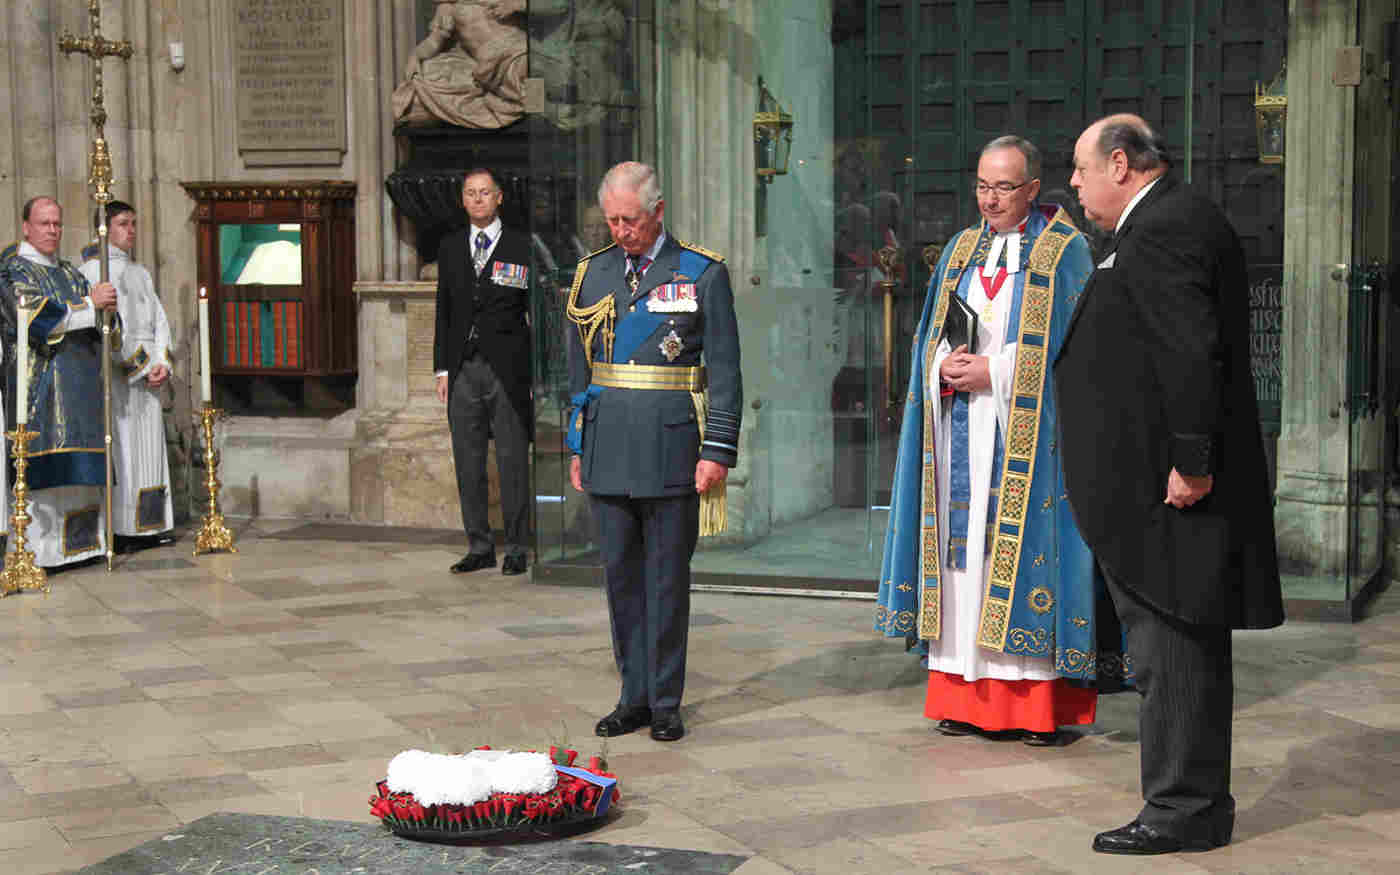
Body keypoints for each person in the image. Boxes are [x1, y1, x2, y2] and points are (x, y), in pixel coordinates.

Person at [1057, 114, 1283, 854]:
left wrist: (1192, 461)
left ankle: (1181, 809)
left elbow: (1192, 352)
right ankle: (1192, 802)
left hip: (1169, 491)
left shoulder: (1164, 228)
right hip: (1153, 486)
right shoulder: (1156, 224)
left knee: (1173, 647)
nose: (1074, 182)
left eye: (1081, 168)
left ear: (1120, 164)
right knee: (1168, 646)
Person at [876, 136, 1107, 745]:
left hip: (1027, 439)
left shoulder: (1067, 253)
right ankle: (960, 693)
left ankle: (1031, 708)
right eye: (982, 185)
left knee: (1017, 557)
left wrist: (996, 373)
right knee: (961, 565)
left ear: (1033, 188)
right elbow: (933, 333)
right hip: (958, 432)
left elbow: (1080, 358)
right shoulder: (958, 251)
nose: (990, 199)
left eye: (1004, 187)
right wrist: (942, 367)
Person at [565, 161, 742, 743]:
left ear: (658, 212)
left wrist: (715, 449)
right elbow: (578, 369)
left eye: (631, 220)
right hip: (608, 445)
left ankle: (666, 700)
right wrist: (576, 443)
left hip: (673, 449)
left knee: (667, 581)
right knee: (620, 581)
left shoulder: (701, 272)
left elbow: (726, 372)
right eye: (612, 220)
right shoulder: (590, 275)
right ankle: (632, 696)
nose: (621, 231)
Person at [0, 196, 117, 568]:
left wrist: (109, 315)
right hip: (41, 388)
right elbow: (36, 317)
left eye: (57, 224)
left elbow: (103, 322)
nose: (52, 230)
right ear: (25, 227)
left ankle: (84, 547)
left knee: (81, 478)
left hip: (81, 388)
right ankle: (42, 553)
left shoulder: (70, 273)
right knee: (44, 478)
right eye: (44, 223)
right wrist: (89, 305)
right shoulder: (13, 269)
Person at [433, 168, 533, 576]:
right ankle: (479, 545)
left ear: (499, 198)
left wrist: (535, 374)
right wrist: (442, 368)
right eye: (470, 194)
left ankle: (516, 547)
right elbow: (444, 311)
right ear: (463, 200)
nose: (477, 199)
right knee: (468, 461)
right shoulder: (451, 246)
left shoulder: (521, 245)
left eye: (484, 193)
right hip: (462, 369)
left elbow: (535, 314)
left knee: (511, 461)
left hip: (507, 369)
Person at [79, 201, 175, 550]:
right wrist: (141, 366)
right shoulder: (92, 272)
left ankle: (151, 527)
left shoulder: (141, 273)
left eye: (134, 223)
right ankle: (123, 530)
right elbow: (106, 330)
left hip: (150, 372)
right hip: (119, 378)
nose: (131, 230)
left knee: (150, 453)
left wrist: (163, 360)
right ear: (104, 229)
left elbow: (160, 322)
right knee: (125, 451)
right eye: (123, 224)